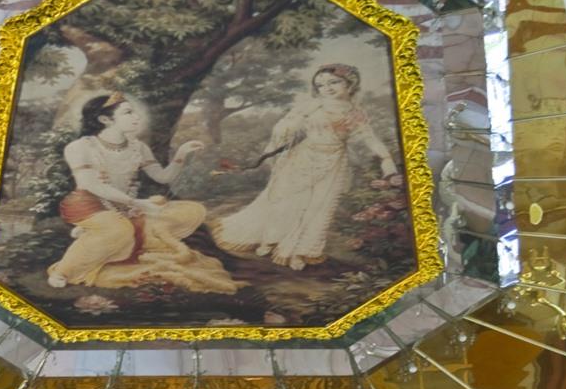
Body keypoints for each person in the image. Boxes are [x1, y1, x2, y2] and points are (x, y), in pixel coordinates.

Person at [211, 63, 402, 271]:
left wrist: (387, 161)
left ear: (350, 84)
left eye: (334, 82)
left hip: (333, 162)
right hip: (302, 158)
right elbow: (284, 128)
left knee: (318, 207)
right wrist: (290, 126)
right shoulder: (311, 106)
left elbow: (370, 139)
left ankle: (299, 251)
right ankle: (270, 239)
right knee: (285, 202)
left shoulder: (355, 113)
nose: (327, 88)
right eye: (321, 85)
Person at [47, 92, 239, 295]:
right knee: (119, 231)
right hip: (89, 203)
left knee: (186, 212)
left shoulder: (138, 147)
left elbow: (162, 177)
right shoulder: (80, 147)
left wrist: (181, 154)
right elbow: (90, 184)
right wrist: (136, 203)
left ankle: (93, 233)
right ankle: (62, 272)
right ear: (105, 119)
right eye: (128, 112)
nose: (136, 117)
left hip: (125, 205)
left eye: (134, 112)